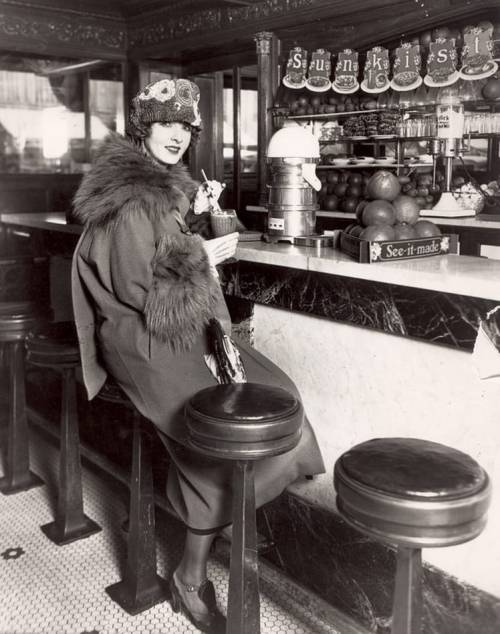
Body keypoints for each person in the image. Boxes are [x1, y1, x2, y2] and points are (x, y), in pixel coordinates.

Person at [71, 77, 325, 633]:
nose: (178, 136)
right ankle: (190, 573)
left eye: (186, 127)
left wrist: (192, 219)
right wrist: (201, 258)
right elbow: (141, 288)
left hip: (186, 324)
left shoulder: (153, 184)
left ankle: (215, 515)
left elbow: (157, 244)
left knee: (278, 404)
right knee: (217, 440)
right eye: (166, 124)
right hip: (143, 338)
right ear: (142, 127)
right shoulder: (128, 196)